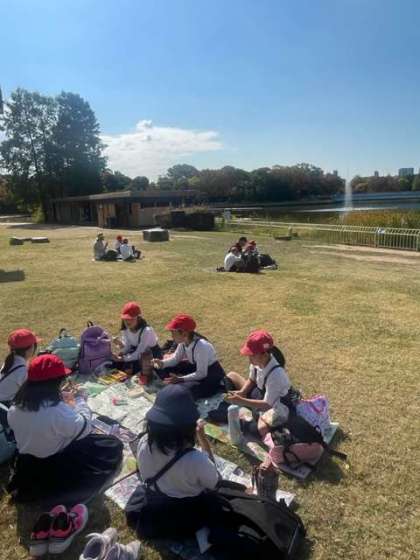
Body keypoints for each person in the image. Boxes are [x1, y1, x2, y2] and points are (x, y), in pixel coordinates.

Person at [7, 354, 123, 502]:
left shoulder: (15, 406)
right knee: (112, 444)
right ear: (54, 383)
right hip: (55, 462)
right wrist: (80, 401)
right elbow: (85, 427)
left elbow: (40, 418)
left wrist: (61, 397)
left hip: (27, 461)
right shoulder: (56, 412)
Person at [126, 384, 220, 539]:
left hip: (155, 504)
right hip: (185, 511)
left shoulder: (144, 442)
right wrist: (203, 439)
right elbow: (214, 482)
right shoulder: (196, 460)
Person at [225, 330, 293, 438]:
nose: (249, 358)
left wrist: (241, 401)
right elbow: (252, 380)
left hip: (276, 406)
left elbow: (267, 404)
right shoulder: (257, 363)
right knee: (231, 376)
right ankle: (246, 411)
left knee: (257, 429)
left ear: (264, 355)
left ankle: (246, 416)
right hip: (261, 393)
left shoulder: (276, 375)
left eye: (252, 355)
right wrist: (242, 392)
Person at [152, 314, 225, 400]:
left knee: (186, 393)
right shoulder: (183, 343)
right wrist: (162, 363)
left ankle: (184, 384)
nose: (171, 336)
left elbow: (201, 373)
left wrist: (181, 379)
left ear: (184, 333)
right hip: (196, 369)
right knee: (163, 368)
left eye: (173, 332)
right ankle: (180, 383)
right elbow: (175, 359)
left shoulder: (201, 346)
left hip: (211, 376)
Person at [113, 302, 161, 375]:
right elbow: (128, 346)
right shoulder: (125, 329)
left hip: (150, 354)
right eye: (125, 319)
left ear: (138, 318)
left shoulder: (146, 331)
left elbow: (139, 352)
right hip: (136, 352)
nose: (128, 321)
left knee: (132, 368)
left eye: (131, 318)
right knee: (118, 364)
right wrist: (121, 353)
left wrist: (123, 358)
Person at [0, 329, 40, 407]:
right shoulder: (22, 371)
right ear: (30, 349)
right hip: (4, 407)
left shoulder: (10, 361)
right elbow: (34, 394)